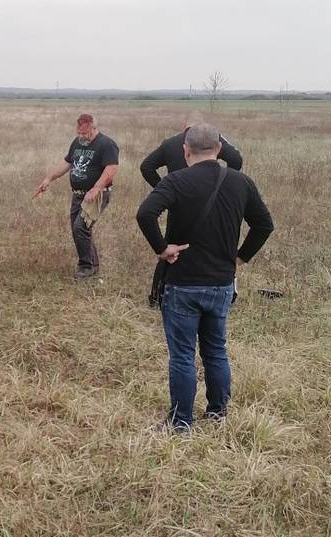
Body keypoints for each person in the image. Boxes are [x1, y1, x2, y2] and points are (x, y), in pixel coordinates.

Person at [135, 123, 274, 431]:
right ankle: (217, 412)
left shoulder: (175, 181)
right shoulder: (241, 182)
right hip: (221, 285)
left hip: (182, 284)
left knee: (183, 356)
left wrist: (162, 249)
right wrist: (239, 257)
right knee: (215, 350)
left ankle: (181, 422)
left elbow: (145, 213)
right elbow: (265, 225)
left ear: (186, 151)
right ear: (219, 149)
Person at [140, 112, 244, 307]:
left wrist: (163, 190)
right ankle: (217, 295)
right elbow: (237, 161)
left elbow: (146, 167)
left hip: (178, 202)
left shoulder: (170, 143)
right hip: (211, 203)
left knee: (170, 249)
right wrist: (225, 183)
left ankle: (156, 296)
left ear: (184, 126)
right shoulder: (213, 142)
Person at [34, 114, 119, 279]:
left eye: (85, 133)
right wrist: (49, 178)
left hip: (96, 195)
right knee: (77, 228)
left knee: (81, 227)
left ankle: (87, 266)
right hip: (78, 195)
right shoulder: (77, 143)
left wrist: (96, 188)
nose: (81, 137)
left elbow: (111, 169)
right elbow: (67, 163)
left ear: (94, 128)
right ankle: (91, 263)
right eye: (79, 133)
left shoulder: (106, 144)